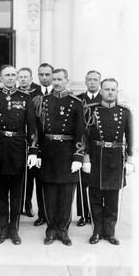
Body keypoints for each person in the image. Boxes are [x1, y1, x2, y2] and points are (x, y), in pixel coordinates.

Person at [0, 66, 38, 246]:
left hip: (17, 147)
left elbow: (32, 126)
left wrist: (33, 150)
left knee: (17, 193)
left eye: (13, 75)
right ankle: (3, 229)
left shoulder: (25, 98)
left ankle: (14, 230)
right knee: (1, 193)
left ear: (17, 77)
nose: (10, 78)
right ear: (0, 78)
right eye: (6, 75)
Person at [82, 78, 133, 245]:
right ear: (101, 91)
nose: (110, 92)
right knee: (95, 197)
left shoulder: (125, 112)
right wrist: (86, 158)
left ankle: (109, 232)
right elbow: (85, 137)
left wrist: (130, 158)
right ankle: (96, 231)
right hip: (96, 157)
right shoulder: (91, 110)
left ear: (117, 92)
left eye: (113, 89)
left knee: (112, 199)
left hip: (115, 159)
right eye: (107, 89)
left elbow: (130, 137)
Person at [39, 69, 85, 246]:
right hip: (49, 151)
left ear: (67, 80)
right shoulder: (44, 101)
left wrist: (78, 156)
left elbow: (81, 131)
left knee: (66, 194)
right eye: (54, 79)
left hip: (67, 152)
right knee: (49, 193)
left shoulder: (75, 102)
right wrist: (37, 152)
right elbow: (38, 129)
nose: (56, 82)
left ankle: (63, 229)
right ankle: (51, 229)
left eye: (60, 79)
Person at [75, 70, 102, 227]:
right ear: (85, 81)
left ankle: (97, 215)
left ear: (99, 82)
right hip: (83, 143)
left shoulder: (104, 99)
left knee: (97, 182)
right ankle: (84, 215)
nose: (92, 82)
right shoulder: (79, 99)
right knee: (82, 182)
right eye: (90, 79)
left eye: (95, 80)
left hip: (99, 144)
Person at [32, 63, 55, 226]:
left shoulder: (59, 93)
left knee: (54, 182)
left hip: (56, 147)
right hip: (39, 145)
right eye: (41, 74)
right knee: (40, 181)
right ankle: (42, 214)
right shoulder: (33, 94)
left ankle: (53, 216)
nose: (44, 78)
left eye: (48, 74)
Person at [17, 67, 39, 218]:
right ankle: (18, 205)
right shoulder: (15, 94)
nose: (23, 79)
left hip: (32, 137)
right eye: (21, 77)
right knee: (19, 175)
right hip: (18, 140)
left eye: (26, 77)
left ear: (31, 78)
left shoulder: (37, 94)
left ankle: (28, 205)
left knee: (30, 176)